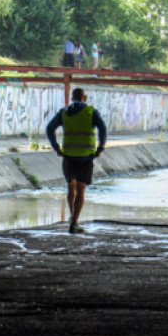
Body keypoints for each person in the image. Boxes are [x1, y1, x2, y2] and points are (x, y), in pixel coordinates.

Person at [45, 88, 107, 233]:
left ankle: (72, 216)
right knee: (81, 189)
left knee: (70, 186)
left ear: (72, 98)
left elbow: (49, 128)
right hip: (86, 156)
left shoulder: (64, 112)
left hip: (68, 155)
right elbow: (102, 129)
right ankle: (74, 223)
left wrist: (56, 147)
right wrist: (100, 147)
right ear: (84, 97)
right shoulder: (91, 112)